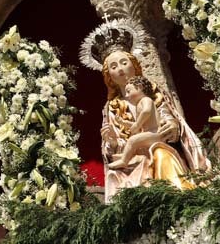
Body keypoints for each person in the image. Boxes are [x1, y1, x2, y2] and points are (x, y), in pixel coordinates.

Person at [80, 19, 210, 201]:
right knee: (121, 168)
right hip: (132, 157)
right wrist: (111, 141)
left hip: (158, 144)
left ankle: (183, 199)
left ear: (134, 65)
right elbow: (112, 147)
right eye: (114, 67)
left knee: (161, 154)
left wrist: (171, 125)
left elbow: (168, 116)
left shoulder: (153, 91)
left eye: (124, 62)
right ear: (108, 76)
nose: (121, 69)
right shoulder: (112, 106)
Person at [106, 76, 161, 170]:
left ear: (139, 87)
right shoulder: (140, 103)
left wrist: (137, 124)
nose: (126, 96)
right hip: (149, 134)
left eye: (129, 91)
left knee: (133, 140)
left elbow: (146, 112)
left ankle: (124, 161)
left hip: (155, 134)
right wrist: (123, 122)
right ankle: (126, 156)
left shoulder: (146, 100)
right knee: (133, 141)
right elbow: (136, 124)